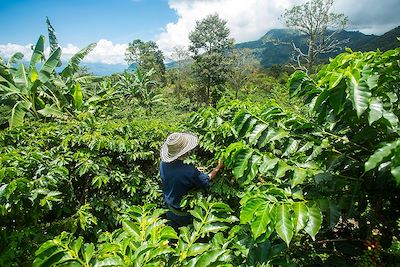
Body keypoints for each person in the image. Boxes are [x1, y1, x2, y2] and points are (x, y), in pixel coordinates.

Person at [160, 132, 223, 231]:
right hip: (183, 213)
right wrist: (218, 168)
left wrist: (196, 170)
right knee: (187, 234)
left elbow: (177, 174)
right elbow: (206, 180)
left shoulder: (163, 164)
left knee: (172, 235)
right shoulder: (189, 171)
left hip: (169, 208)